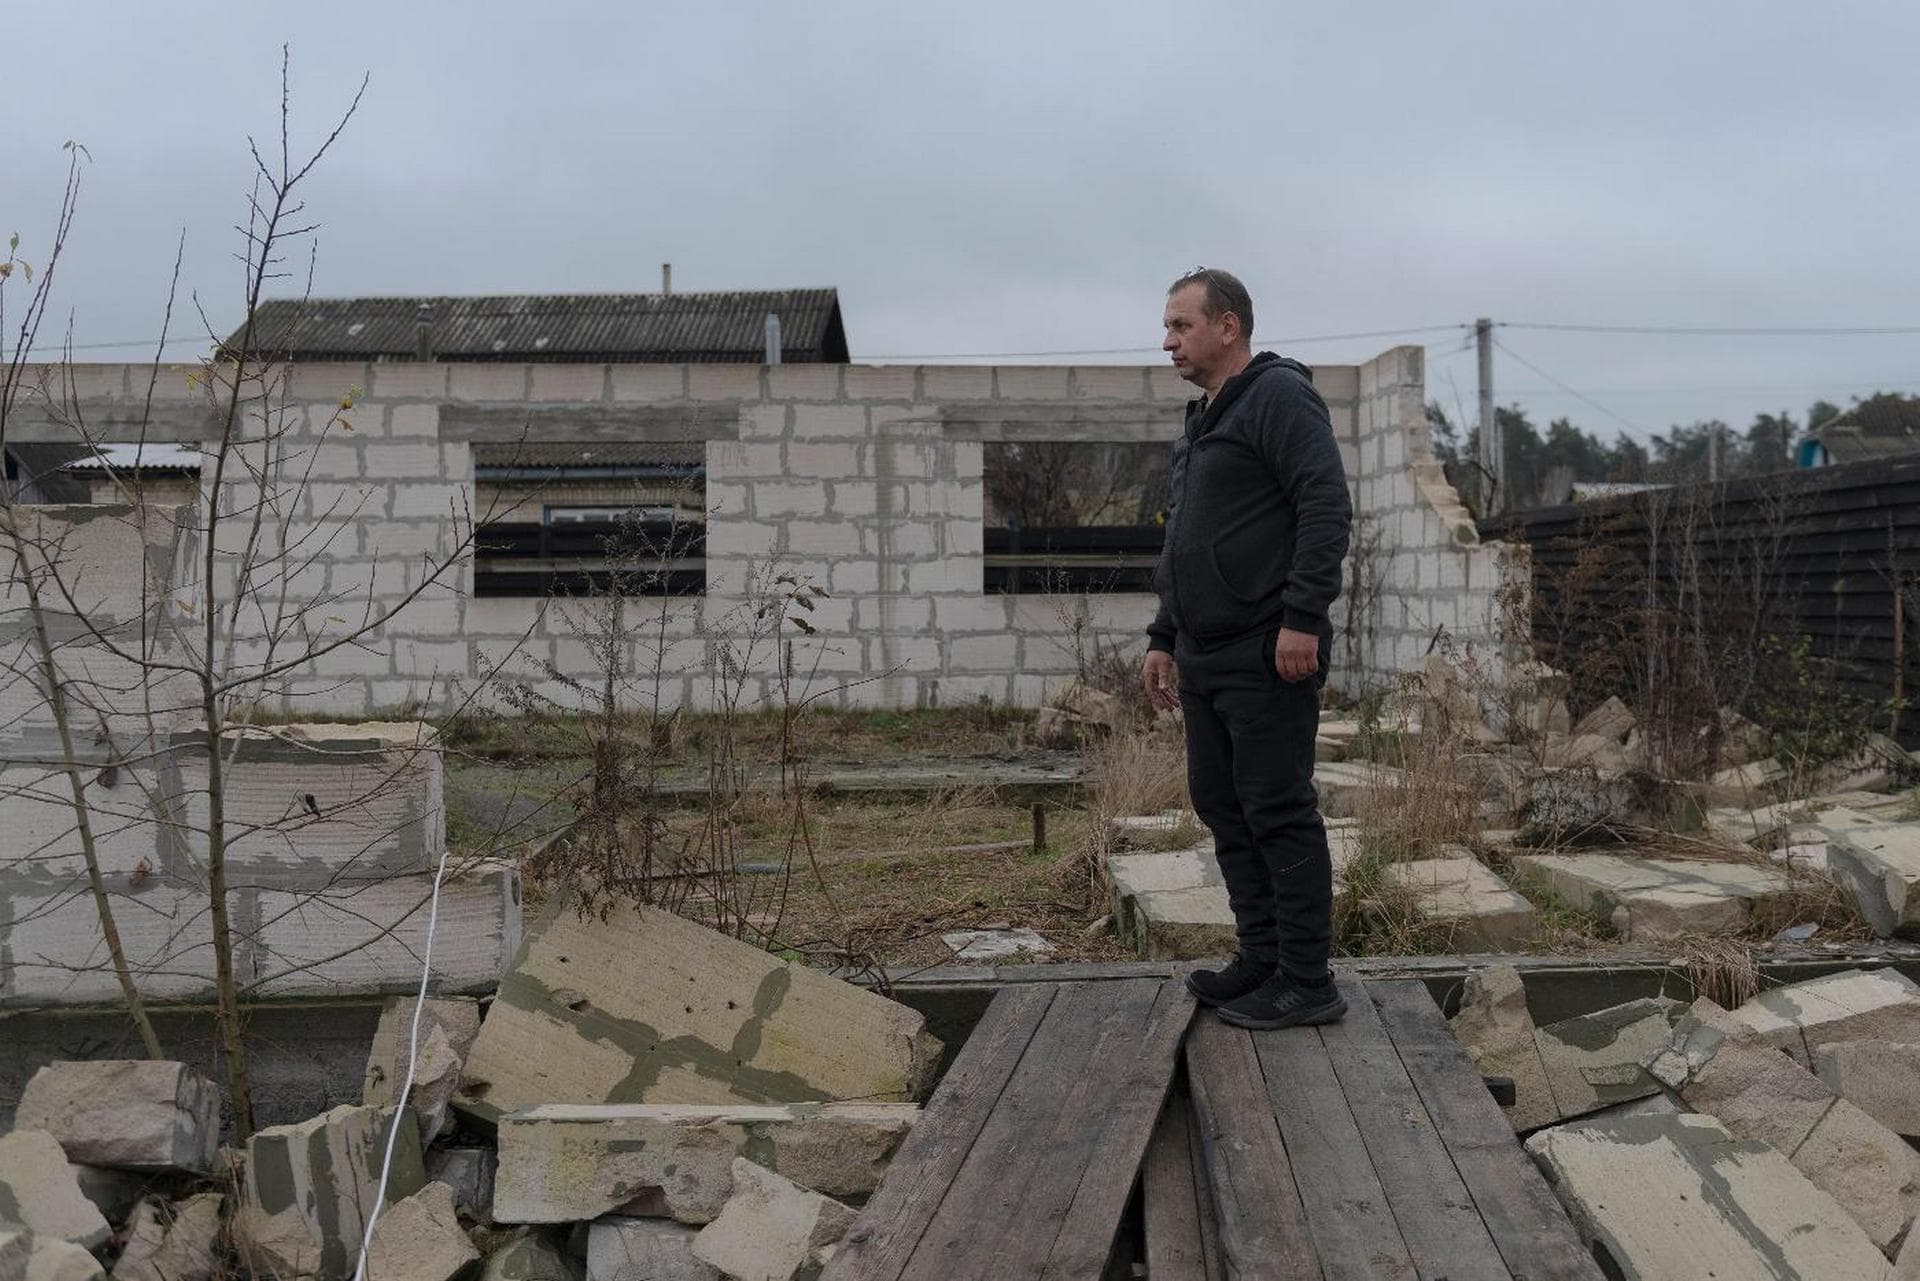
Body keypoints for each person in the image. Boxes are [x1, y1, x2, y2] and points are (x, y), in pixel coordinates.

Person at [1142, 267, 1353, 1029]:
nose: (1167, 341)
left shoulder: (1278, 397)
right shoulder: (1203, 419)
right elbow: (1185, 541)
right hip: (1204, 655)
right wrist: (1164, 636)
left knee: (1277, 807)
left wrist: (1303, 617)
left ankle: (1306, 978)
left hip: (1270, 651)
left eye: (1180, 326)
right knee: (1225, 806)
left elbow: (1325, 505)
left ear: (1226, 327)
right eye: (1166, 328)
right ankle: (1261, 958)